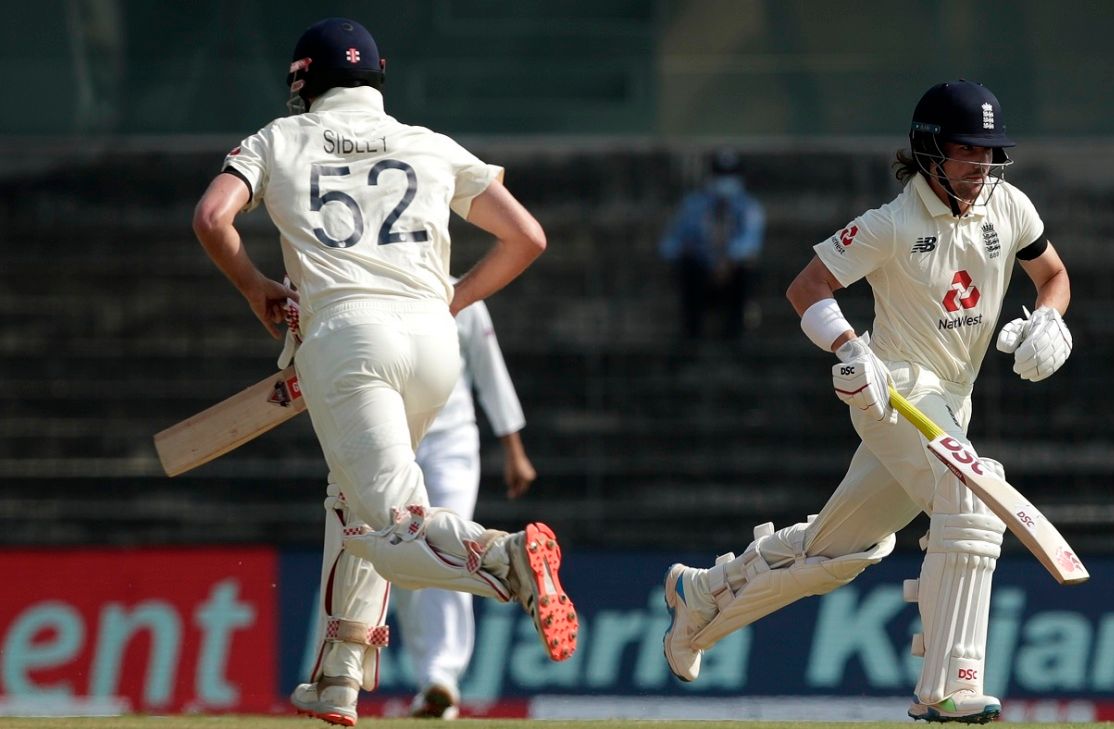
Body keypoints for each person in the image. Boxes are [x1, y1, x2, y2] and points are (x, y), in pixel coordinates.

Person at [190, 18, 576, 727]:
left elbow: (214, 218)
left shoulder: (278, 138)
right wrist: (450, 300)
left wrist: (253, 287)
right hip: (434, 345)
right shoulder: (429, 144)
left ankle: (511, 558)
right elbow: (529, 236)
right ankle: (339, 676)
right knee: (353, 501)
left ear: (302, 80)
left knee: (393, 522)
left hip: (346, 342)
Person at [662, 80, 1073, 724]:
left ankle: (699, 597)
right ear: (931, 152)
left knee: (840, 551)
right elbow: (807, 288)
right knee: (971, 498)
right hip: (895, 392)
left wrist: (1050, 320)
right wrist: (852, 347)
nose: (981, 167)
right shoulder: (891, 224)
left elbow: (1053, 275)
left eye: (990, 153)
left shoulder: (1010, 208)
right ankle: (949, 686)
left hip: (951, 404)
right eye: (968, 152)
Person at [391, 291, 536, 720]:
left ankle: (443, 677)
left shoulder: (466, 294)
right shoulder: (382, 284)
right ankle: (428, 680)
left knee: (452, 545)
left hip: (452, 444)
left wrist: (515, 450)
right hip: (395, 445)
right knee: (401, 554)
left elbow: (491, 374)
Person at [659, 148, 766, 340]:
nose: (725, 181)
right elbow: (670, 244)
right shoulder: (693, 205)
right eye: (721, 174)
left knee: (747, 268)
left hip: (732, 277)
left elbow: (751, 242)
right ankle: (690, 338)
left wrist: (727, 261)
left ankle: (736, 335)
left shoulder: (749, 207)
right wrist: (696, 256)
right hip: (700, 274)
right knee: (687, 269)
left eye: (730, 175)